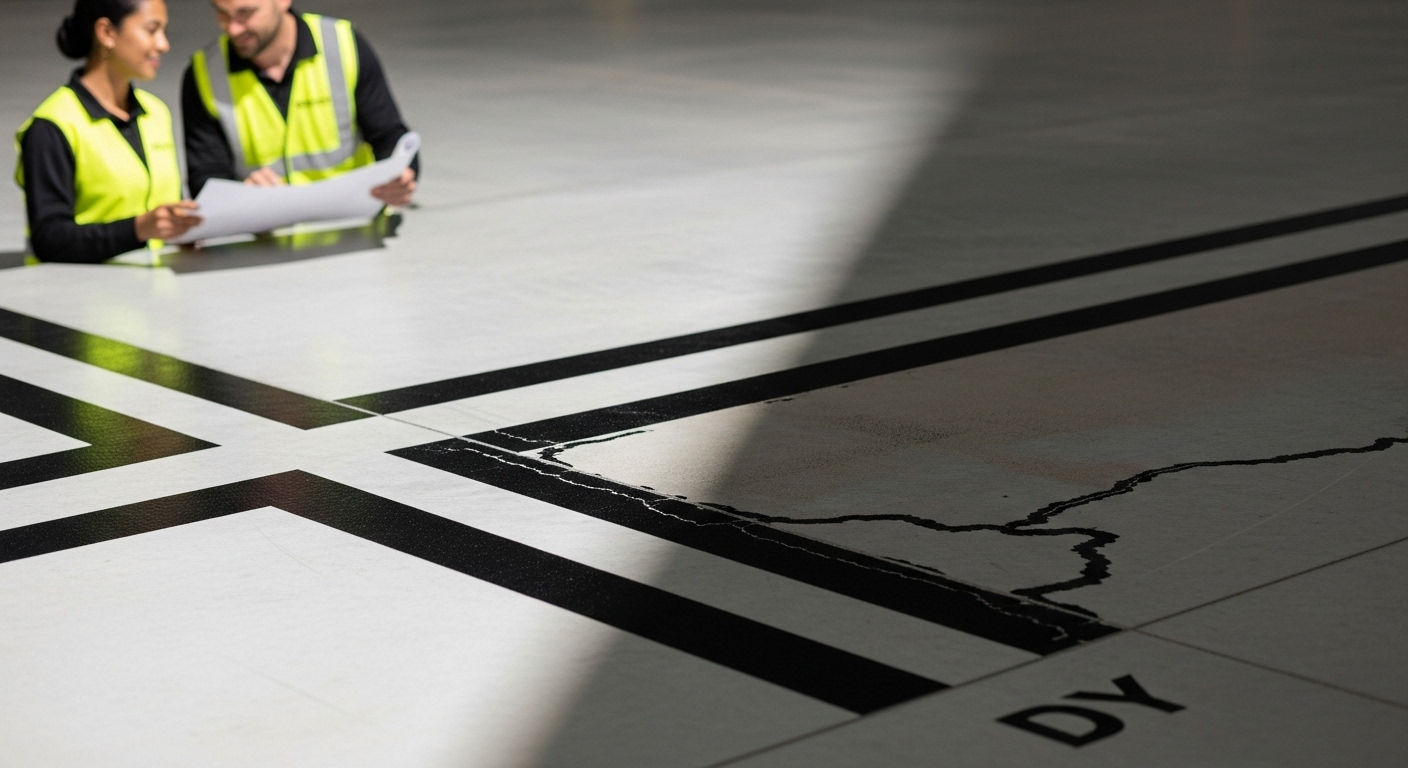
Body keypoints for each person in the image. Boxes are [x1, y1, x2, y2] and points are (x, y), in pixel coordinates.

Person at [15, 0, 201, 264]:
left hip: (157, 295)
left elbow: (163, 209)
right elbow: (50, 239)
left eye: (164, 31)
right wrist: (138, 229)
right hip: (80, 298)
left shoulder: (157, 112)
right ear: (106, 33)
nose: (163, 45)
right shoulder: (52, 126)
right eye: (151, 30)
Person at [182, 0, 417, 206]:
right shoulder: (205, 73)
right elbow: (205, 177)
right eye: (222, 13)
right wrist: (242, 195)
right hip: (265, 238)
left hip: (352, 223)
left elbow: (388, 135)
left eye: (246, 13)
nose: (232, 28)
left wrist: (402, 174)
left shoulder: (342, 45)